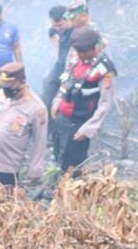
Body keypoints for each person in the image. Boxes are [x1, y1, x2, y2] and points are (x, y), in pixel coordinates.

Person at [50, 28, 117, 177]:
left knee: (73, 163)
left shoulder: (104, 69)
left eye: (83, 52)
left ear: (94, 49)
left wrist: (88, 129)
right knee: (58, 152)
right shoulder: (75, 57)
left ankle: (71, 189)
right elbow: (66, 80)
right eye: (77, 51)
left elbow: (105, 104)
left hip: (80, 122)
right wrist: (57, 101)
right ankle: (59, 183)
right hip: (63, 116)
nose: (79, 55)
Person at [0, 62, 48, 193]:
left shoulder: (36, 108)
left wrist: (35, 169)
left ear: (22, 82)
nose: (5, 89)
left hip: (5, 167)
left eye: (9, 86)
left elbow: (39, 142)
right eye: (3, 86)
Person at [42, 5, 73, 110]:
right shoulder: (53, 30)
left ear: (67, 19)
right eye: (55, 25)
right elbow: (55, 45)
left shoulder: (76, 31)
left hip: (73, 67)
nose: (58, 28)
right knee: (47, 85)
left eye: (60, 25)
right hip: (60, 64)